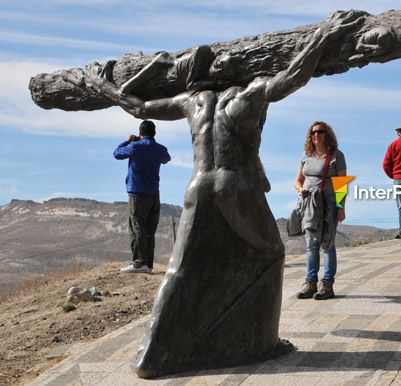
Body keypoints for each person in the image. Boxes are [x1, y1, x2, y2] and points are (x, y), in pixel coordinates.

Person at [70, 11, 365, 376]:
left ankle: (151, 355)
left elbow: (139, 107)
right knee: (271, 254)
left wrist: (104, 87)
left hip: (198, 185)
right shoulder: (249, 94)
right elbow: (292, 77)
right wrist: (322, 35)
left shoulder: (192, 101)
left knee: (180, 269)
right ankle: (259, 343)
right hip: (234, 183)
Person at [294, 121, 347, 300]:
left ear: (327, 135)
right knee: (311, 245)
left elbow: (342, 185)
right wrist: (300, 189)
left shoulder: (336, 156)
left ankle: (327, 284)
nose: (316, 135)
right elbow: (298, 180)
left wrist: (341, 208)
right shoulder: (306, 155)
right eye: (313, 133)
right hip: (309, 205)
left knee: (328, 244)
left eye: (320, 132)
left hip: (328, 204)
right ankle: (310, 283)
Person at [114, 120, 171, 274]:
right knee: (149, 229)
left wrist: (128, 141)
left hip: (137, 193)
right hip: (154, 194)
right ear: (154, 133)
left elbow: (117, 153)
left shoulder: (134, 147)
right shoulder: (160, 149)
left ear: (140, 132)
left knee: (137, 226)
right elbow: (167, 158)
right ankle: (148, 264)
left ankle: (139, 263)